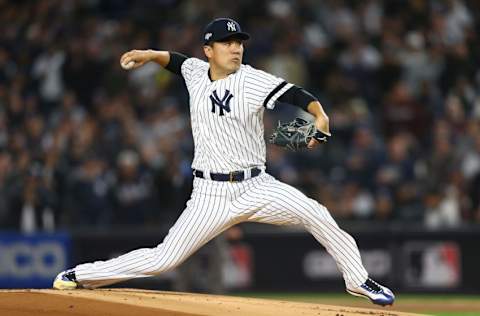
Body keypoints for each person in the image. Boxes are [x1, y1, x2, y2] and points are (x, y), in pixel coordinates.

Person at [53, 18, 395, 306]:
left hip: (256, 186)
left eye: (238, 42)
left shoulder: (251, 79)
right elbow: (175, 60)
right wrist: (150, 54)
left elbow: (294, 94)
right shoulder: (196, 73)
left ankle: (359, 280)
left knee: (316, 213)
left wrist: (318, 114)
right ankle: (80, 274)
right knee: (163, 260)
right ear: (208, 51)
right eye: (226, 43)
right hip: (209, 195)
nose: (235, 48)